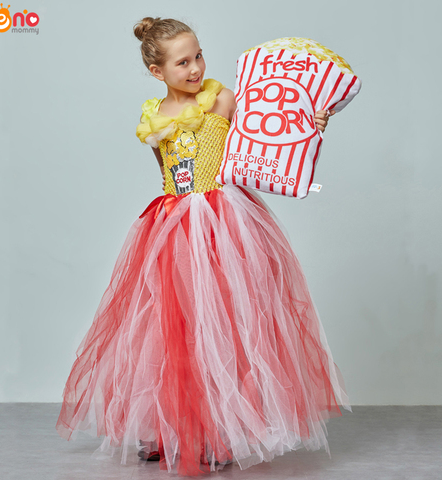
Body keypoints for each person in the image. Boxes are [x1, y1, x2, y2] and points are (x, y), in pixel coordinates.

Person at [56, 16, 350, 477]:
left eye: (198, 56)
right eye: (182, 62)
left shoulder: (223, 99)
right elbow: (167, 172)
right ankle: (173, 430)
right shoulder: (154, 118)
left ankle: (220, 431)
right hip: (172, 227)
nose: (195, 68)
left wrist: (312, 124)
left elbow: (269, 141)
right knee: (173, 327)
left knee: (224, 324)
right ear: (158, 72)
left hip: (223, 224)